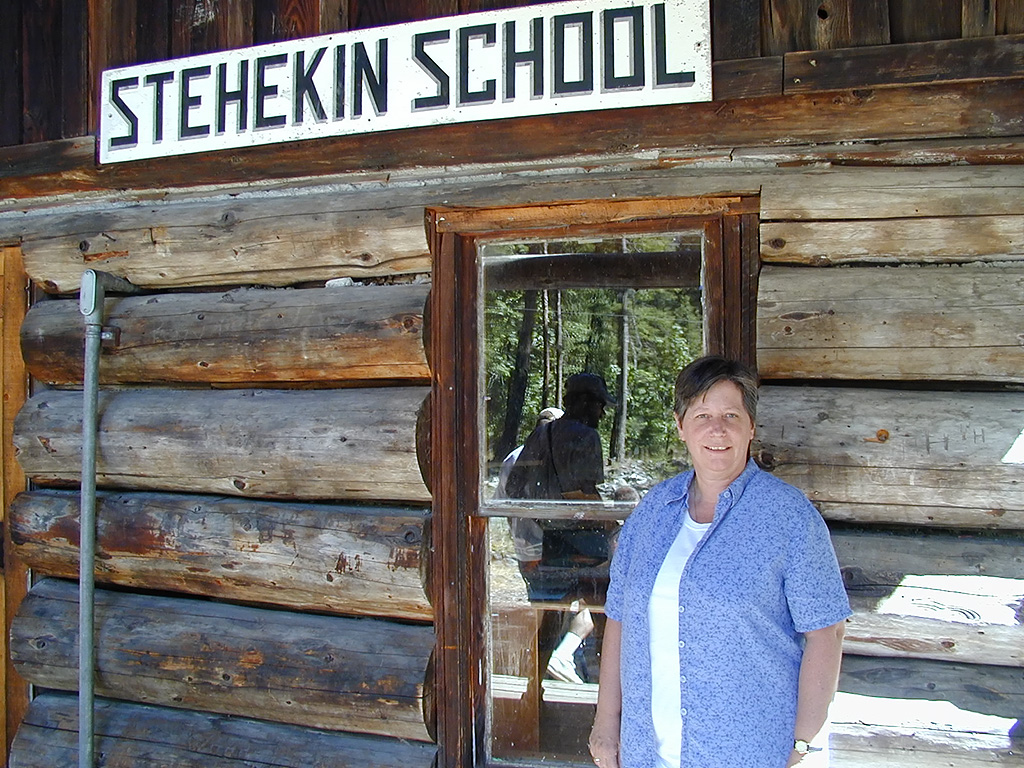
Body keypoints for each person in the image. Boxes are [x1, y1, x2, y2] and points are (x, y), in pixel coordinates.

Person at [589, 356, 850, 768]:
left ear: (751, 426)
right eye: (702, 414)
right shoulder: (652, 511)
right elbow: (619, 619)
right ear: (680, 425)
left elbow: (826, 633)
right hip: (646, 753)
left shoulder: (788, 517)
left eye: (731, 414)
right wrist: (605, 722)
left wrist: (804, 743)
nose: (717, 429)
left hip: (749, 753)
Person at [505, 372, 617, 684]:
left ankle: (533, 691)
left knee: (549, 621)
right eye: (599, 405)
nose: (602, 413)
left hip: (550, 545)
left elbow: (514, 487)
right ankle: (604, 694)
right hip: (584, 549)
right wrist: (613, 523)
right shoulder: (586, 436)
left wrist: (544, 519)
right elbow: (583, 494)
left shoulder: (541, 434)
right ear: (584, 403)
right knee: (606, 617)